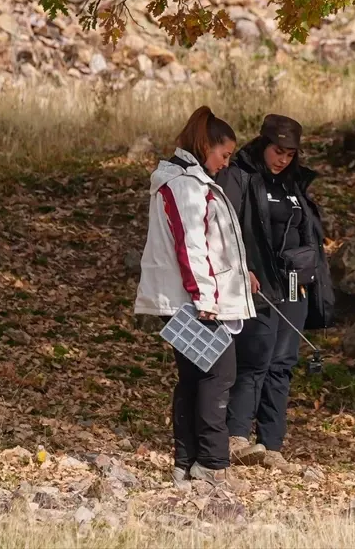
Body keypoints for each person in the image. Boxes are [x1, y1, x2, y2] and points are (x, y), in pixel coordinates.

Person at [135, 106, 257, 489]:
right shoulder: (186, 185)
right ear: (206, 146)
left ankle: (185, 465)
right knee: (219, 375)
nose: (226, 164)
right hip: (190, 302)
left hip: (186, 298)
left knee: (194, 378)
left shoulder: (186, 180)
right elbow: (190, 246)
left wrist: (240, 275)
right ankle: (212, 465)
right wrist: (205, 299)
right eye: (224, 154)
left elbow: (210, 244)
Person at [216, 114, 333, 472]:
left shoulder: (295, 182)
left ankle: (271, 444)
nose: (282, 159)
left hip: (295, 283)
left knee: (283, 363)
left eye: (290, 154)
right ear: (263, 144)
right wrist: (243, 267)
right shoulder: (240, 175)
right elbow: (225, 225)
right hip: (258, 281)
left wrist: (312, 271)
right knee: (255, 358)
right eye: (277, 151)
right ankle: (236, 437)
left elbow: (307, 230)